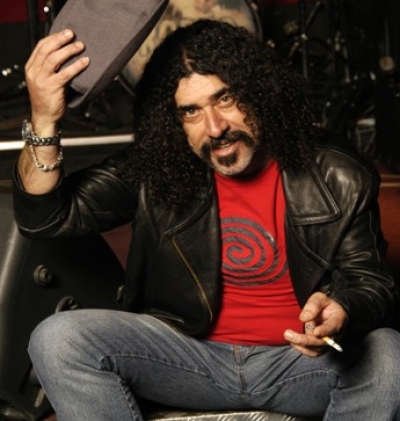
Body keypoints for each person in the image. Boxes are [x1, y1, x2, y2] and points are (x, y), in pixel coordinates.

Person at [13, 19, 400, 421]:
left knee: (388, 354)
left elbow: (372, 284)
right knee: (57, 339)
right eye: (191, 111)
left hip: (299, 364)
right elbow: (46, 218)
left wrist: (343, 310)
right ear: (172, 121)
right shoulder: (157, 168)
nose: (215, 128)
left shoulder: (338, 172)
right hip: (188, 358)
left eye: (225, 98)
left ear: (258, 92)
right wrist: (44, 120)